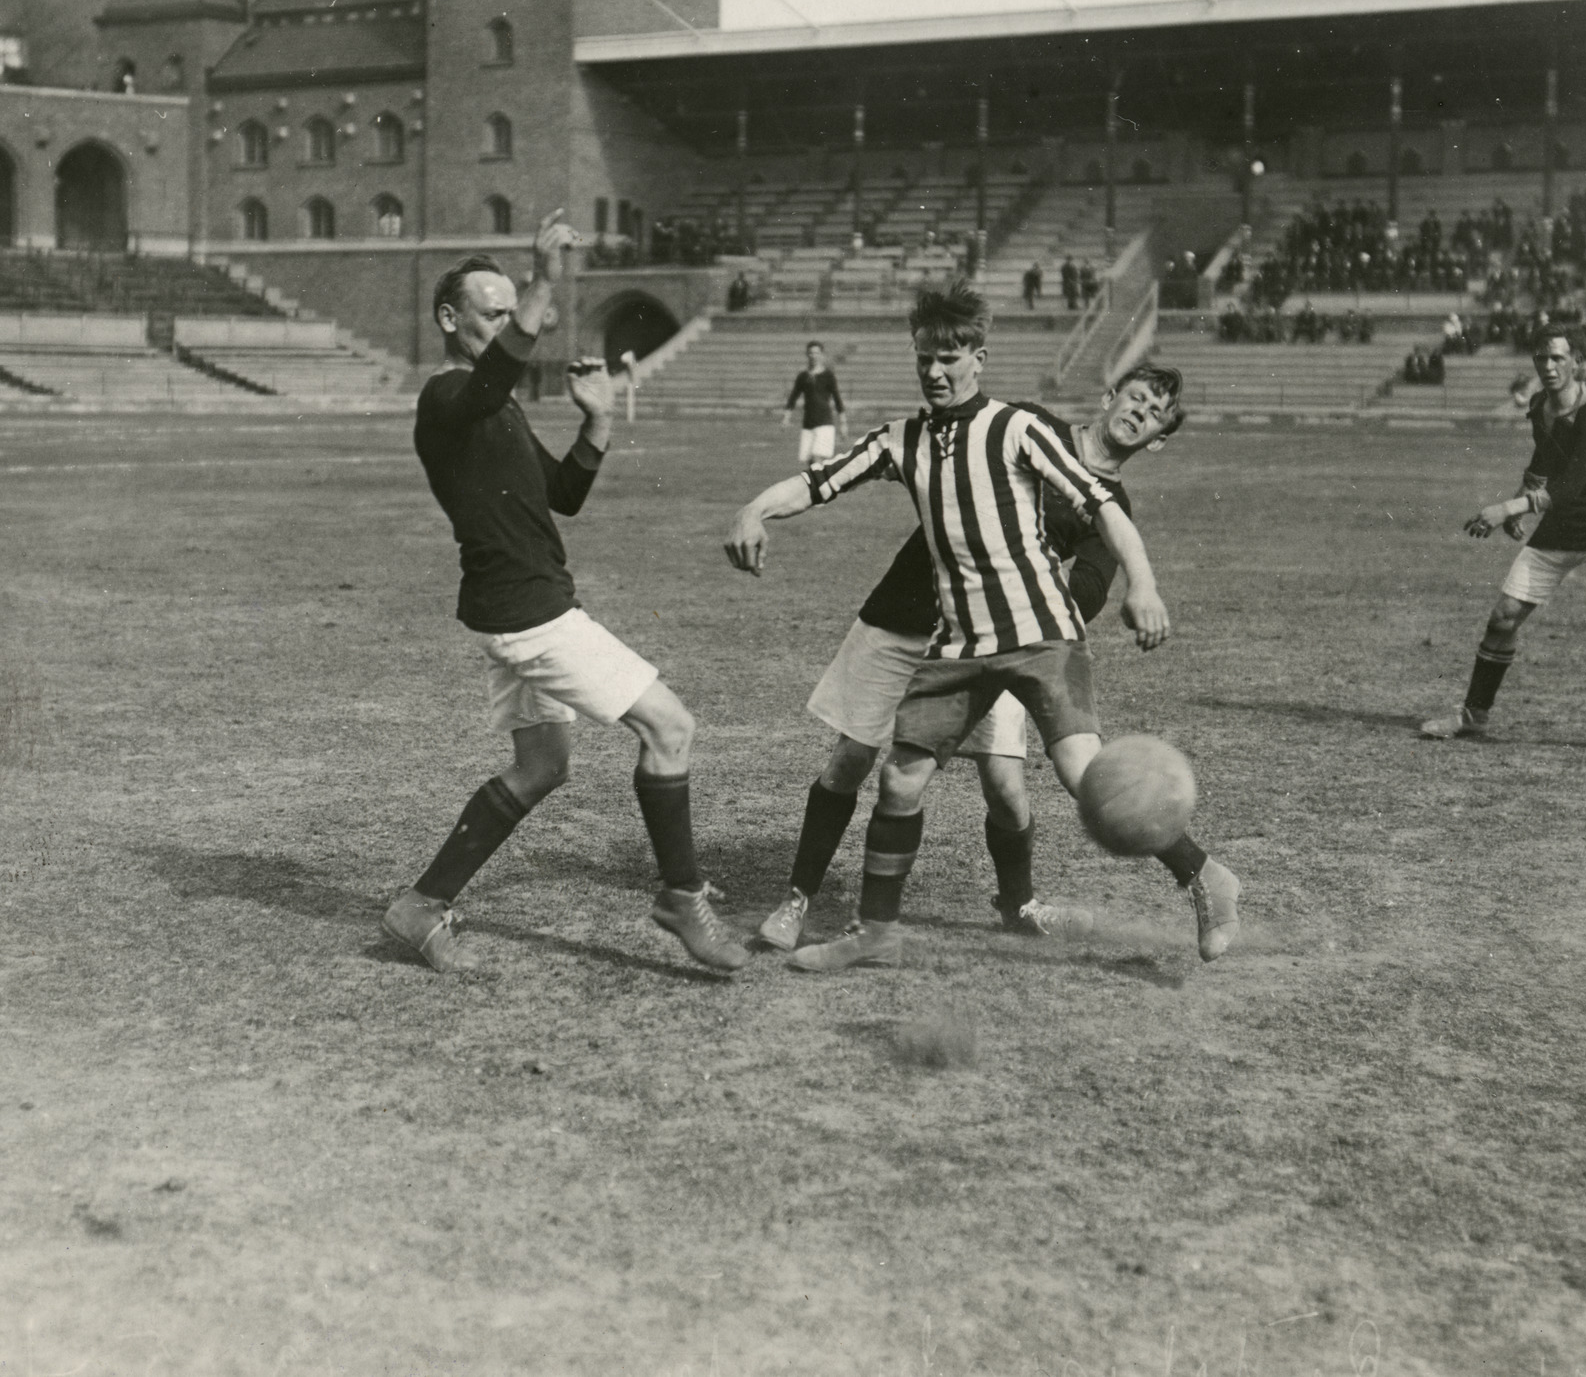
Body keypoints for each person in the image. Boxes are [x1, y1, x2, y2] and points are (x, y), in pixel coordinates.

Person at [723, 282, 1200, 974]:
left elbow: (1089, 585)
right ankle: (798, 898)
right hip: (904, 617)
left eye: (1156, 413)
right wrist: (755, 509)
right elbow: (833, 477)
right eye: (1137, 397)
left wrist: (1040, 597)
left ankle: (1020, 905)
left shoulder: (1105, 500)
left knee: (1005, 785)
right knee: (854, 761)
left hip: (996, 638)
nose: (1140, 413)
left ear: (1157, 438)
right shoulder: (1019, 424)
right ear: (1111, 396)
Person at [385, 210, 747, 975]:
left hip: (513, 608)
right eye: (496, 311)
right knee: (670, 729)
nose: (515, 324)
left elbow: (563, 494)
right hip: (530, 613)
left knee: (542, 766)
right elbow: (491, 379)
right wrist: (546, 280)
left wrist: (599, 422)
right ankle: (681, 897)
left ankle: (419, 906)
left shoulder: (496, 405)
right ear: (450, 319)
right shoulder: (446, 397)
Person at [1420, 329, 1586, 758]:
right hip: (1559, 528)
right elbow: (1542, 463)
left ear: (1576, 362)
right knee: (1502, 618)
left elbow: (1572, 485)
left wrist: (1507, 507)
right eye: (1542, 359)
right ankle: (1474, 715)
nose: (1549, 367)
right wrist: (1522, 503)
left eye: (1558, 359)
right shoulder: (1541, 407)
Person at [781, 340, 845, 465]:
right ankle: (822, 484)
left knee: (817, 459)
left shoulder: (828, 376)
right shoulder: (803, 376)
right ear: (807, 354)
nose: (813, 356)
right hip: (808, 424)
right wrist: (786, 418)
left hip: (825, 423)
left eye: (816, 353)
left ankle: (824, 484)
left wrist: (843, 423)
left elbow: (837, 399)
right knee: (810, 463)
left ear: (821, 355)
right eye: (811, 353)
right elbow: (793, 397)